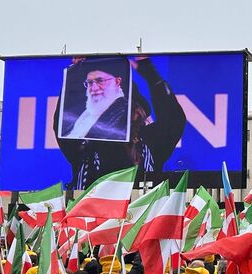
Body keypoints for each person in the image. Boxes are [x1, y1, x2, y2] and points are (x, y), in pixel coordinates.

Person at [54, 57, 187, 190]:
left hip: (139, 208)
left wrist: (148, 71)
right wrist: (73, 74)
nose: (94, 88)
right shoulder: (84, 140)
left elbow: (173, 120)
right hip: (92, 209)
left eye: (100, 81)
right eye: (89, 83)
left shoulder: (148, 140)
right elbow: (61, 126)